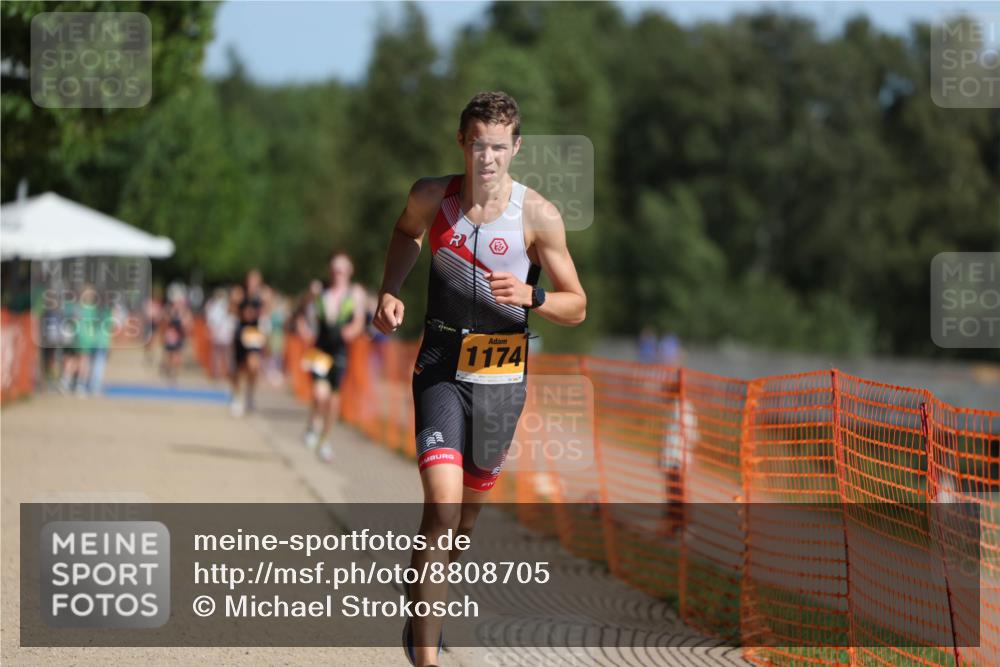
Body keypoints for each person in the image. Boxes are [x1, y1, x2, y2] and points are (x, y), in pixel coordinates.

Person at [372, 91, 587, 667]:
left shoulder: (537, 215)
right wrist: (390, 290)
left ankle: (424, 600)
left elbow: (578, 304)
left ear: (516, 148)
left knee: (463, 523)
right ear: (461, 143)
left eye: (497, 147)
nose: (486, 158)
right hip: (440, 367)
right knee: (442, 510)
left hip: (501, 380)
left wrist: (534, 296)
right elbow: (405, 234)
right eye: (476, 145)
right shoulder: (431, 196)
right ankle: (426, 654)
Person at [300, 252, 367, 461]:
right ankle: (313, 424)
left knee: (333, 399)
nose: (338, 273)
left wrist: (351, 331)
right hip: (320, 349)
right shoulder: (320, 291)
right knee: (319, 394)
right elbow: (303, 311)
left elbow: (359, 322)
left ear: (349, 271)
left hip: (339, 351)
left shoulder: (355, 294)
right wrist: (304, 326)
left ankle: (325, 439)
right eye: (334, 269)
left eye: (341, 270)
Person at [230, 269, 267, 416]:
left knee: (253, 365)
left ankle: (250, 394)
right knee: (239, 368)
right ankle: (236, 396)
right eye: (250, 280)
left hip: (254, 334)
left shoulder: (262, 295)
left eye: (255, 280)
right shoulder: (239, 294)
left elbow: (266, 311)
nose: (252, 283)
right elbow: (231, 310)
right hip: (241, 333)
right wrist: (240, 311)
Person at [205, 287, 237, 380]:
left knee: (224, 354)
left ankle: (225, 372)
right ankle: (219, 372)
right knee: (220, 354)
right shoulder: (215, 306)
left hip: (224, 333)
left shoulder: (224, 306)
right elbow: (211, 321)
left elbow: (231, 319)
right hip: (220, 333)